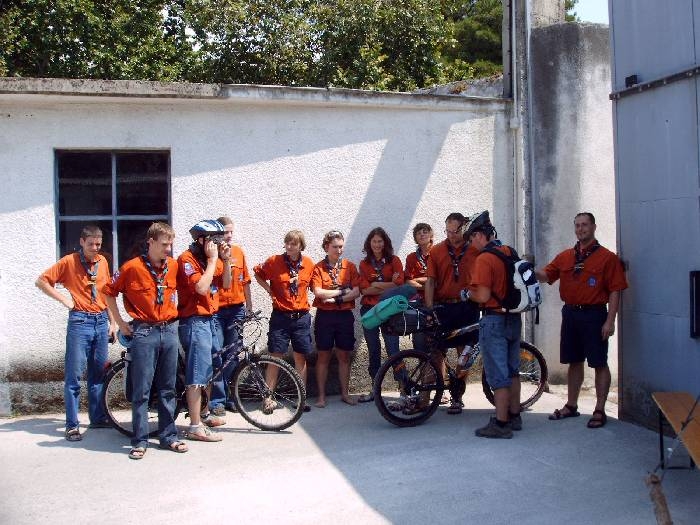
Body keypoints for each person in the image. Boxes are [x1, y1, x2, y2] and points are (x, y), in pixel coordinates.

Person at [535, 212, 628, 429]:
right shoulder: (565, 256)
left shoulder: (607, 258)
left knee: (598, 362)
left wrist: (610, 321)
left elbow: (615, 291)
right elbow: (547, 275)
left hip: (594, 315)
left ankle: (599, 410)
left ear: (594, 227)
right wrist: (528, 269)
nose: (580, 229)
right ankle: (571, 405)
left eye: (585, 225)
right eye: (577, 225)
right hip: (570, 314)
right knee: (574, 361)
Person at [103, 222, 187, 459]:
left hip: (169, 331)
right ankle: (140, 440)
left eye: (170, 245)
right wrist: (120, 323)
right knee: (142, 390)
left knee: (168, 388)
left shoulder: (173, 266)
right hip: (144, 332)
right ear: (150, 242)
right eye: (164, 244)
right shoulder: (131, 268)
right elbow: (108, 292)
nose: (168, 249)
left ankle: (168, 436)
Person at [36, 224, 116, 441]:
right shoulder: (69, 261)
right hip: (80, 322)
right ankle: (72, 425)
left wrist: (113, 322)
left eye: (98, 244)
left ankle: (97, 417)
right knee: (74, 376)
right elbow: (41, 281)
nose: (95, 248)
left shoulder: (103, 261)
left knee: (99, 374)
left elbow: (105, 292)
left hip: (100, 321)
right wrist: (64, 300)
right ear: (82, 242)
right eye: (91, 244)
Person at [466, 210, 521, 439]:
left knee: (498, 374)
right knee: (513, 370)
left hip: (494, 320)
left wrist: (468, 293)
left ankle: (500, 423)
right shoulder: (509, 251)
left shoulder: (484, 259)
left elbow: (482, 295)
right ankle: (515, 416)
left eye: (471, 238)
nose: (471, 244)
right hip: (514, 318)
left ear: (479, 235)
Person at [177, 219, 232, 442]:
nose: (217, 244)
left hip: (210, 319)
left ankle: (204, 413)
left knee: (210, 369)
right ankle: (194, 426)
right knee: (197, 372)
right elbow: (200, 288)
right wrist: (212, 261)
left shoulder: (210, 260)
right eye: (213, 240)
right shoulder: (187, 259)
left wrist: (225, 261)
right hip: (194, 321)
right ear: (201, 240)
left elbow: (226, 284)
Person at [424, 213, 480, 414]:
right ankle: (429, 396)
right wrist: (429, 309)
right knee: (436, 352)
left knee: (464, 354)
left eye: (454, 231)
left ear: (463, 228)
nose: (450, 235)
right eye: (447, 231)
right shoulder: (437, 250)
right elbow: (430, 281)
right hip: (444, 307)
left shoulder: (475, 250)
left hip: (467, 307)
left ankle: (457, 396)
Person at [254, 230, 314, 412]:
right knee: (275, 356)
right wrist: (269, 290)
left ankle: (301, 399)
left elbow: (314, 285)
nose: (289, 246)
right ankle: (268, 398)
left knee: (300, 357)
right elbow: (258, 273)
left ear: (301, 246)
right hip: (281, 316)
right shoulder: (274, 261)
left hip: (301, 317)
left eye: (293, 243)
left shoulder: (308, 264)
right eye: (287, 242)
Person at [311, 230, 361, 407]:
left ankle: (345, 394)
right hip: (325, 316)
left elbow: (356, 291)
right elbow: (318, 292)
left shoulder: (350, 266)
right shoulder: (318, 267)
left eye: (341, 247)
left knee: (344, 356)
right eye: (335, 247)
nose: (339, 250)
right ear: (326, 247)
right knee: (323, 356)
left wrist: (336, 299)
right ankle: (321, 397)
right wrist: (342, 291)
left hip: (344, 316)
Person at [209, 216, 253, 416]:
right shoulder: (210, 254)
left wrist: (249, 307)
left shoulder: (238, 252)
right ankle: (216, 400)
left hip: (236, 309)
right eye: (225, 232)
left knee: (233, 355)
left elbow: (245, 282)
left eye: (231, 232)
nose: (228, 236)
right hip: (217, 311)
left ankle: (230, 397)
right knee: (217, 354)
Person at [357, 227, 404, 403]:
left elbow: (399, 284)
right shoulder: (364, 264)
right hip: (370, 310)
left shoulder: (394, 260)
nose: (377, 244)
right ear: (369, 244)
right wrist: (389, 283)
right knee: (373, 349)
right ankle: (375, 389)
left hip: (390, 309)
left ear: (385, 243)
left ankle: (403, 387)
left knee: (393, 349)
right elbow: (364, 289)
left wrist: (375, 285)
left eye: (380, 241)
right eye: (374, 241)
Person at [404, 222, 433, 352]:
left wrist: (418, 280)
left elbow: (439, 281)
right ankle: (422, 365)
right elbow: (407, 282)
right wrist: (429, 284)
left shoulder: (438, 253)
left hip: (437, 302)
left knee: (437, 343)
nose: (421, 234)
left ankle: (438, 366)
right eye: (418, 233)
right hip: (418, 304)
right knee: (419, 341)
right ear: (415, 237)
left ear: (431, 235)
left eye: (425, 232)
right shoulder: (411, 257)